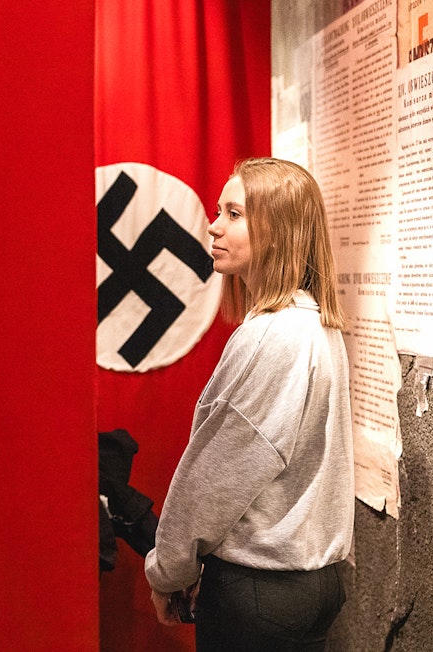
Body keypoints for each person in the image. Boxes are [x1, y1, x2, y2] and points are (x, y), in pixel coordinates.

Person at [145, 157, 354, 650]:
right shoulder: (317, 326)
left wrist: (168, 570)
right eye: (220, 211)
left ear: (277, 232)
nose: (214, 227)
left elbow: (216, 474)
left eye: (234, 214)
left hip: (261, 591)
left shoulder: (269, 336)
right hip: (316, 582)